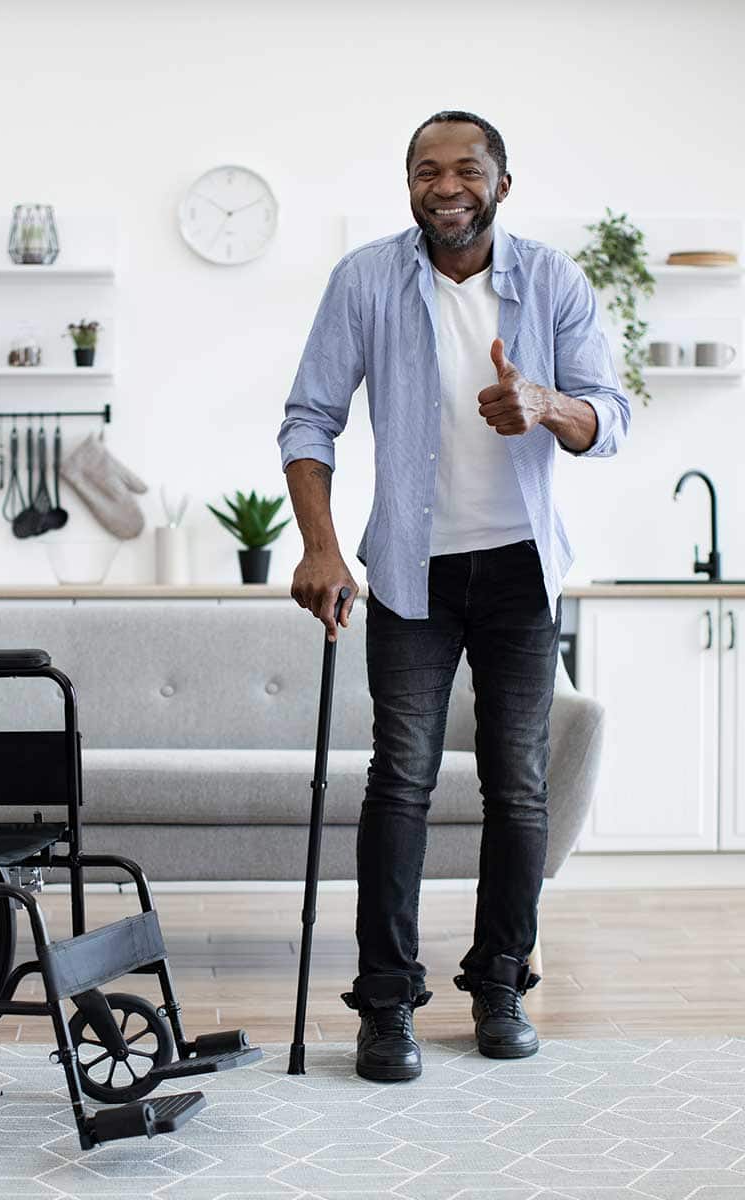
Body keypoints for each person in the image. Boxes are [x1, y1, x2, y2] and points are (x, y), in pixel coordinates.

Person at [277, 110, 629, 1082]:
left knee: (518, 785)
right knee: (402, 780)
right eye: (425, 170)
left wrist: (547, 406)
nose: (446, 185)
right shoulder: (366, 281)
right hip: (409, 568)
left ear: (501, 184)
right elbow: (309, 420)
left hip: (521, 567)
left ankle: (501, 984)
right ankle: (385, 1007)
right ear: (408, 187)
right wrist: (320, 549)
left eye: (466, 168)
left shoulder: (553, 282)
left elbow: (614, 414)